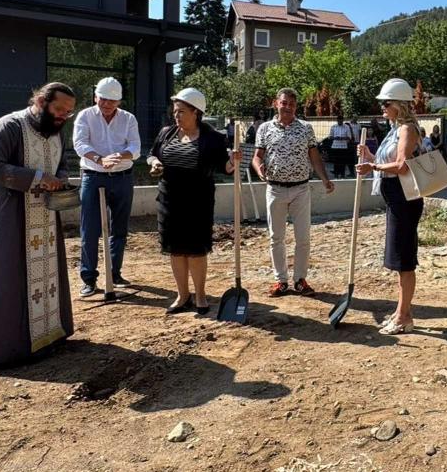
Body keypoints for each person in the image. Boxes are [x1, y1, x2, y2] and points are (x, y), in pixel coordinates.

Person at [0, 83, 76, 367]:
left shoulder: (56, 130)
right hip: (10, 218)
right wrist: (37, 178)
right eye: (59, 109)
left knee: (47, 277)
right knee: (7, 277)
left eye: (68, 112)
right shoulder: (9, 126)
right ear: (41, 101)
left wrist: (59, 178)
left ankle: (49, 337)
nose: (63, 116)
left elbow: (62, 163)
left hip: (45, 218)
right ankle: (4, 351)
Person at [147, 88, 239, 314]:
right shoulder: (166, 133)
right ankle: (182, 295)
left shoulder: (213, 139)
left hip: (198, 202)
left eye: (181, 111)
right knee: (176, 250)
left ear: (195, 112)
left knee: (196, 250)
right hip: (169, 201)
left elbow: (225, 167)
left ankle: (200, 295)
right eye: (175, 111)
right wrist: (154, 162)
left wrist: (233, 161)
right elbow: (152, 154)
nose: (176, 116)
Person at [356, 78, 423, 335]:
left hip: (404, 199)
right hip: (396, 199)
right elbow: (389, 164)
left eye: (386, 103)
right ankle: (401, 312)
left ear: (399, 104)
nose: (382, 108)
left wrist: (372, 166)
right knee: (398, 258)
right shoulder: (395, 129)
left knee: (403, 259)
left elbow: (401, 166)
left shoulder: (407, 129)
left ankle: (404, 316)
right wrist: (370, 157)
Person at [253, 88, 335, 297]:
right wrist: (258, 169)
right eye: (284, 103)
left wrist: (325, 178)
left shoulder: (305, 128)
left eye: (291, 104)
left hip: (301, 189)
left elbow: (314, 156)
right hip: (275, 189)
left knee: (303, 237)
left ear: (296, 106)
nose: (287, 107)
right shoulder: (264, 128)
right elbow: (257, 156)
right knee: (276, 238)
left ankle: (300, 280)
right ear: (276, 104)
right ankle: (280, 281)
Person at [73, 77, 141, 297]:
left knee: (119, 228)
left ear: (119, 101)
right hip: (93, 176)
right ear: (96, 97)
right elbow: (80, 143)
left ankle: (115, 274)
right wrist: (100, 159)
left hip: (122, 177)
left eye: (111, 101)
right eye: (102, 99)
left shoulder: (128, 119)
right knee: (90, 229)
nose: (106, 104)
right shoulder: (85, 116)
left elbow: (135, 147)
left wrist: (119, 156)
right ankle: (89, 279)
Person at [328, 114, 352, 179]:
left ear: (343, 120)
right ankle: (336, 174)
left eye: (341, 121)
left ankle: (342, 175)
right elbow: (330, 137)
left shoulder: (346, 127)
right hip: (335, 146)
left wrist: (342, 138)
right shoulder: (333, 127)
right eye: (339, 121)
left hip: (343, 147)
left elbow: (349, 137)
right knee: (336, 161)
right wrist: (335, 138)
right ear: (337, 120)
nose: (340, 122)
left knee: (343, 161)